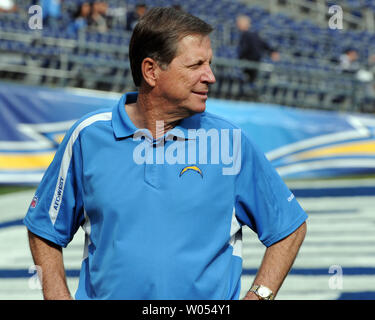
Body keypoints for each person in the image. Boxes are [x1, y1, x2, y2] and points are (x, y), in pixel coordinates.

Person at [24, 7, 307, 300]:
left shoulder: (229, 142)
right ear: (151, 71)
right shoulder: (87, 137)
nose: (209, 76)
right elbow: (44, 227)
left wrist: (259, 295)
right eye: (196, 65)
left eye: (209, 64)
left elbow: (289, 228)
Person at [236, 15, 280, 83]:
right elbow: (265, 45)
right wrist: (272, 51)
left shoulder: (248, 35)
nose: (237, 25)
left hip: (250, 64)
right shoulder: (253, 34)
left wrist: (272, 52)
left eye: (239, 23)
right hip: (253, 63)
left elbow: (245, 50)